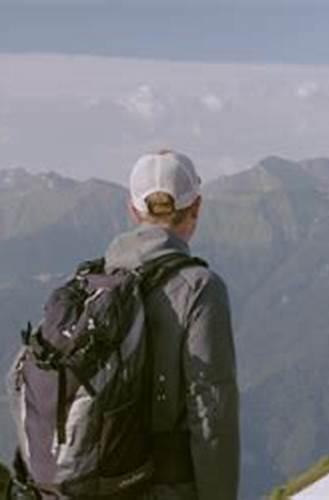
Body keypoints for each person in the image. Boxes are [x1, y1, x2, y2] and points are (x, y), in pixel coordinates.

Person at [105, 150, 240, 500]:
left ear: (132, 211)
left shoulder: (94, 284)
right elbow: (211, 412)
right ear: (196, 207)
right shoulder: (199, 288)